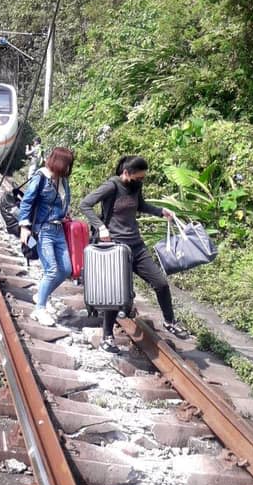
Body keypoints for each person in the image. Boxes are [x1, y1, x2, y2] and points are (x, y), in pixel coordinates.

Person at [80, 154, 185, 351]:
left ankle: (170, 321)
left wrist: (161, 211)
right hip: (115, 248)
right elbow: (85, 204)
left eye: (143, 177)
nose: (141, 180)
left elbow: (141, 205)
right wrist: (101, 227)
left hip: (136, 245)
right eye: (139, 177)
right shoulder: (111, 186)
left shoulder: (136, 186)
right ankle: (107, 337)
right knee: (115, 292)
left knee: (160, 283)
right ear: (126, 173)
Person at [18, 146, 74, 327]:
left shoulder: (62, 180)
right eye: (67, 164)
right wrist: (24, 227)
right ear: (59, 162)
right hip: (43, 230)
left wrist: (65, 213)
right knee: (51, 270)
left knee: (66, 269)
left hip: (59, 229)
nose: (68, 168)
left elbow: (63, 201)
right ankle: (39, 309)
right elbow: (27, 201)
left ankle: (41, 294)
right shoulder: (41, 177)